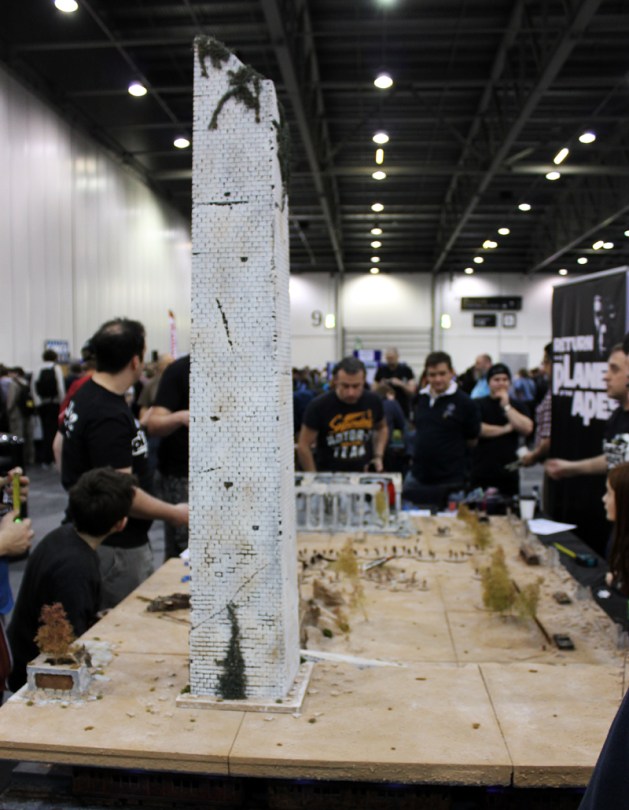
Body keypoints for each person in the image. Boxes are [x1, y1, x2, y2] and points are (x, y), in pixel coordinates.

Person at [61, 318, 188, 609]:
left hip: (97, 534)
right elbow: (121, 495)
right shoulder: (108, 414)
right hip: (116, 548)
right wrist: (175, 513)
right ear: (135, 360)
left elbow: (60, 445)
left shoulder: (85, 395)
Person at [7, 467, 135, 693]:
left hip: (21, 656)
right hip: (36, 676)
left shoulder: (63, 535)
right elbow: (69, 645)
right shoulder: (76, 568)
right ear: (121, 524)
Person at [402, 351, 480, 509]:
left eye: (442, 374)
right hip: (418, 476)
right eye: (432, 375)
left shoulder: (466, 403)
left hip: (451, 481)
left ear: (451, 372)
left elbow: (472, 440)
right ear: (426, 375)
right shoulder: (419, 399)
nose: (437, 379)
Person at [545, 344, 629, 479]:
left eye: (614, 369)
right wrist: (570, 468)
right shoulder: (617, 415)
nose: (606, 376)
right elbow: (615, 457)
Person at [297, 356, 388, 473]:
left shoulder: (373, 401)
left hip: (363, 473)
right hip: (329, 474)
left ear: (364, 381)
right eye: (345, 386)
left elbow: (382, 428)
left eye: (356, 386)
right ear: (335, 381)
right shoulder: (319, 406)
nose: (351, 392)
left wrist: (378, 456)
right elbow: (303, 445)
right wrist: (313, 476)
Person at [146, 354, 190, 561]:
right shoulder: (179, 370)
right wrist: (181, 417)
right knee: (184, 548)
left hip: (226, 475)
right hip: (181, 475)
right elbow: (154, 423)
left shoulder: (242, 368)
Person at [470, 363, 533, 496]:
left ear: (509, 382)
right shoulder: (477, 404)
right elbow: (477, 428)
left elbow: (527, 428)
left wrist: (506, 406)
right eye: (496, 379)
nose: (501, 383)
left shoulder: (518, 405)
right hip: (482, 471)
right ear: (489, 382)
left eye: (505, 379)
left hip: (509, 471)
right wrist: (505, 429)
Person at [520, 344, 553, 469]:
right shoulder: (550, 389)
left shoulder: (555, 395)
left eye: (545, 362)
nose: (544, 368)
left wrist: (534, 456)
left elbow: (548, 438)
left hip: (554, 465)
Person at [32, 349, 65, 467]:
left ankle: (45, 458)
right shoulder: (56, 368)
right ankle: (53, 458)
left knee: (45, 430)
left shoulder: (37, 369)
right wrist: (62, 402)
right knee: (54, 430)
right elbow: (60, 386)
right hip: (54, 403)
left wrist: (37, 403)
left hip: (42, 404)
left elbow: (33, 387)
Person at [374, 348, 416, 418]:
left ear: (397, 357)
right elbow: (373, 390)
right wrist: (381, 386)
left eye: (392, 358)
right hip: (385, 409)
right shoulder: (381, 370)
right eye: (388, 358)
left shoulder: (405, 370)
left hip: (402, 408)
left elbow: (412, 391)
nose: (390, 360)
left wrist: (400, 384)